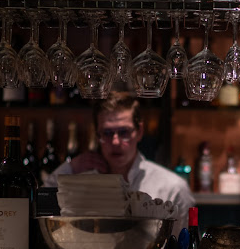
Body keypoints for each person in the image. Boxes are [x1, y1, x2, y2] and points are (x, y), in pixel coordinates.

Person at [44, 91, 195, 235]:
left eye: (124, 132)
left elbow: (184, 248)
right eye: (107, 133)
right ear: (97, 135)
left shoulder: (173, 188)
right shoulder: (82, 180)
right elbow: (43, 202)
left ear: (139, 132)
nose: (115, 142)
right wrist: (71, 167)